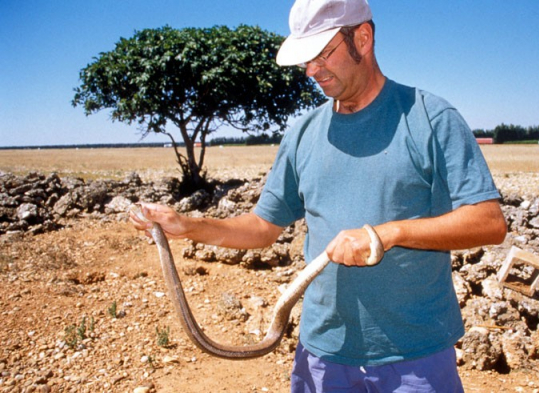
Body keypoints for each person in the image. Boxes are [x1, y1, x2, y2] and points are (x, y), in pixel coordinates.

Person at [131, 0, 507, 391]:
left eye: (322, 54)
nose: (311, 70)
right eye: (305, 60)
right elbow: (262, 227)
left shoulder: (430, 118)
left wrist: (386, 234)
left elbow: (489, 222)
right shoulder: (303, 134)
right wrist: (188, 225)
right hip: (323, 354)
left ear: (362, 38)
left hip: (414, 357)